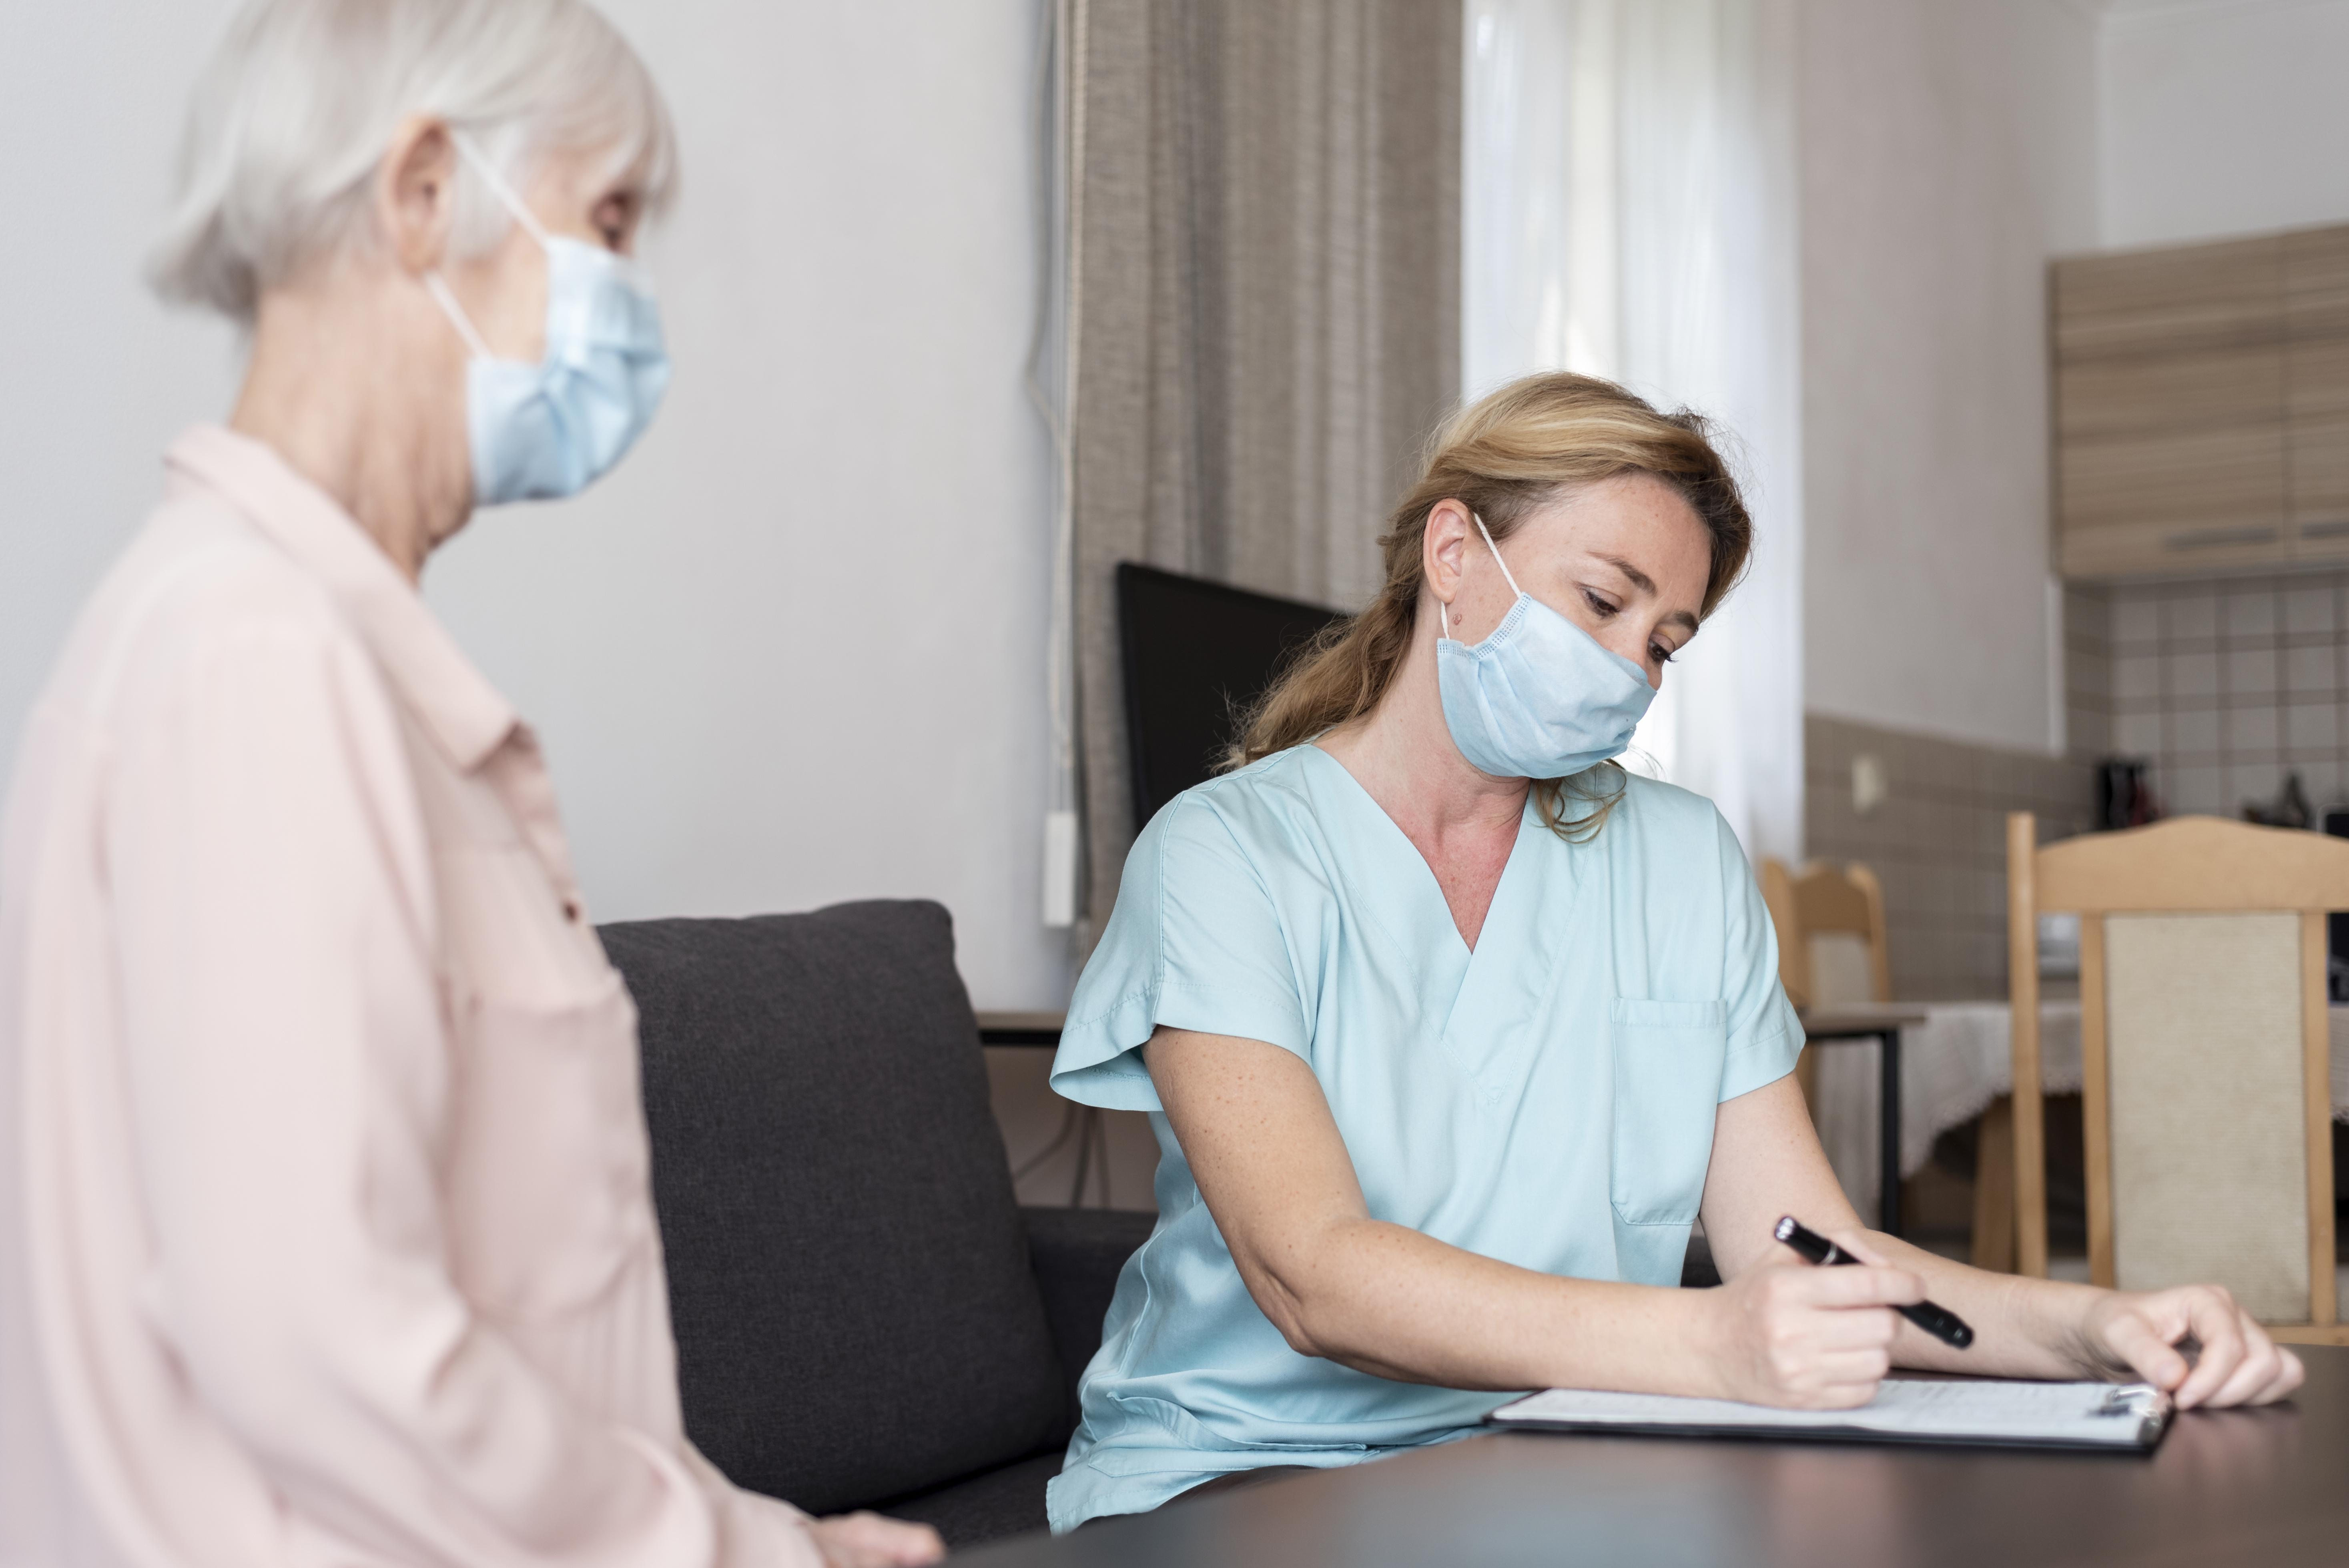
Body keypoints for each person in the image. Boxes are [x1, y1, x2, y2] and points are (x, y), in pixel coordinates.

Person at [0, 4, 941, 1565]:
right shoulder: (251, 654)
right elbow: (309, 1329)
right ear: (426, 190)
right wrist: (744, 1552)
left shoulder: (290, 643)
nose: (631, 298)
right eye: (610, 222)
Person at [1042, 373, 2303, 1532]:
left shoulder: (1685, 862)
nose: (1625, 667)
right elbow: (1313, 1278)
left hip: (1558, 1456)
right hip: (1244, 1476)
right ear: (1452, 553)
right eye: (1602, 600)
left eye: (1661, 641)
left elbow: (1806, 1246)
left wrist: (2100, 1327)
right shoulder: (1223, 856)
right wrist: (1712, 1348)